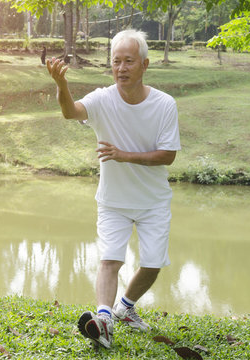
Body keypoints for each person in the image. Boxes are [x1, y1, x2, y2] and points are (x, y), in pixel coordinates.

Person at [46, 29, 181, 349]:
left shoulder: (164, 104)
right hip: (113, 201)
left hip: (153, 201)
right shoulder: (102, 99)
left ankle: (126, 308)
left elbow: (168, 155)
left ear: (145, 64)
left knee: (153, 263)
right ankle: (104, 319)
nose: (121, 68)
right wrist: (61, 86)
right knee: (109, 259)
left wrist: (123, 155)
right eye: (116, 61)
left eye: (128, 61)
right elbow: (70, 112)